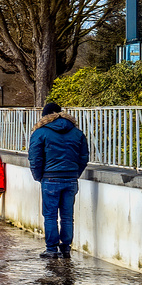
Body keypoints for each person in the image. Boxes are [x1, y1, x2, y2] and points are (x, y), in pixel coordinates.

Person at [27, 102, 89, 259]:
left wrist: (38, 176)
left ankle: (51, 249)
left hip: (50, 178)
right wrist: (75, 174)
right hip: (70, 179)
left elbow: (35, 158)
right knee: (67, 216)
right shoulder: (77, 133)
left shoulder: (40, 133)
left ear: (45, 116)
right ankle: (66, 248)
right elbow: (83, 157)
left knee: (50, 215)